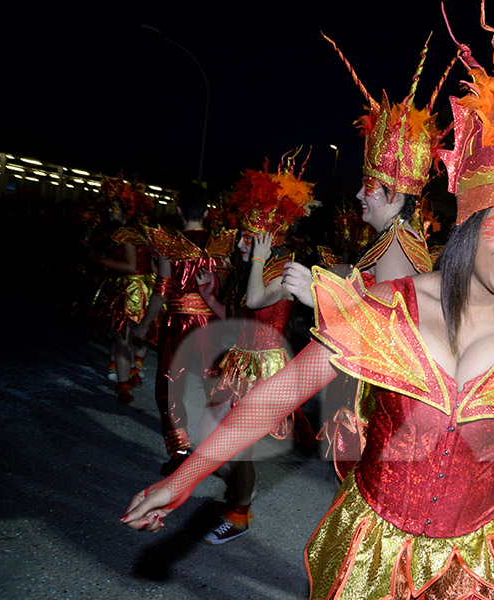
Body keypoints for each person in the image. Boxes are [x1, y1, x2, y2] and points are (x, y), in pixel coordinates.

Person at [122, 11, 494, 598]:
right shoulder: (386, 309)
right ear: (471, 222)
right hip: (376, 555)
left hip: (481, 562)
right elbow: (278, 396)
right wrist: (187, 477)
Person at [286, 31, 454, 480]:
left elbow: (387, 332)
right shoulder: (397, 237)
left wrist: (320, 296)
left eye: (371, 187)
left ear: (397, 193)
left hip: (377, 401)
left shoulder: (398, 245)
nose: (360, 194)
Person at [193, 156, 320, 544]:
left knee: (241, 450)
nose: (243, 243)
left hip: (265, 368)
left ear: (270, 239)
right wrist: (208, 297)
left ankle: (240, 513)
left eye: (252, 238)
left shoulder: (284, 270)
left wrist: (260, 256)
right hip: (240, 364)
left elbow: (252, 302)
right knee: (205, 439)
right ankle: (237, 495)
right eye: (245, 236)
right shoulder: (256, 267)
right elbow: (237, 315)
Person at [134, 186, 236, 476]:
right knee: (213, 385)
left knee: (170, 385)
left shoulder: (169, 244)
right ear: (206, 212)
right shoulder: (222, 244)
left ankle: (179, 451)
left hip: (178, 322)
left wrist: (144, 323)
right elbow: (227, 287)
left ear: (179, 211)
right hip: (211, 324)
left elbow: (162, 289)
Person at [89, 176, 158, 405]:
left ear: (128, 211)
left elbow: (130, 266)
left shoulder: (126, 233)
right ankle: (131, 373)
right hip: (144, 288)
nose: (111, 211)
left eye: (115, 208)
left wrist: (102, 262)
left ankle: (124, 384)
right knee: (134, 336)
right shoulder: (143, 231)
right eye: (110, 207)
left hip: (131, 289)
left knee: (121, 338)